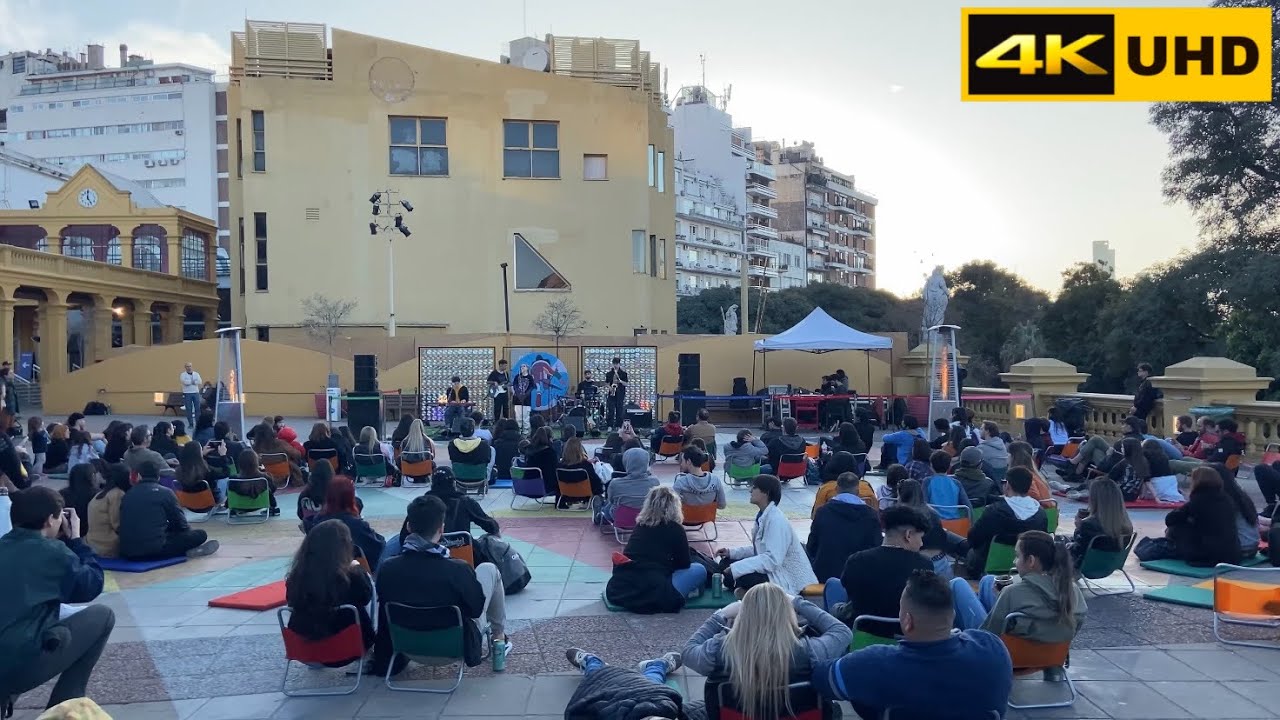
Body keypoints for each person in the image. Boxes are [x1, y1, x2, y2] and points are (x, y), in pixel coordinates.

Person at [811, 570, 1013, 720]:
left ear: (907, 621)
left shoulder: (872, 664)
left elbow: (819, 677)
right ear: (952, 615)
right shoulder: (993, 649)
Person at [0, 486, 115, 711]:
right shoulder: (53, 552)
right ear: (50, 520)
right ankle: (64, 708)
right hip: (15, 666)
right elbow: (91, 585)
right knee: (103, 616)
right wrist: (76, 540)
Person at [372, 495, 510, 676]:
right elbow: (476, 610)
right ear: (441, 529)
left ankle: (498, 638)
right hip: (454, 648)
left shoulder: (387, 568)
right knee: (488, 569)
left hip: (406, 647)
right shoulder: (458, 569)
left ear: (409, 527)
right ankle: (499, 638)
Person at [683, 584, 852, 720]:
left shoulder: (717, 650)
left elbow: (688, 651)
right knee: (834, 708)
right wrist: (798, 602)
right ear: (787, 614)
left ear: (743, 615)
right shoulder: (810, 651)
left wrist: (720, 615)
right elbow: (843, 632)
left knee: (692, 708)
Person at [952, 531, 1087, 649]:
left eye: (1017, 556)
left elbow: (989, 634)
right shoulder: (1073, 591)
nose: (1014, 561)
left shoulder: (1012, 593)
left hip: (1003, 653)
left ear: (1031, 561)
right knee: (988, 580)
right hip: (1051, 654)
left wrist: (1003, 599)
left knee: (957, 584)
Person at [827, 505, 934, 637]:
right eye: (921, 537)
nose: (921, 543)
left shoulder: (857, 560)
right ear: (908, 535)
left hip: (862, 633)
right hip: (905, 634)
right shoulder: (925, 565)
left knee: (833, 586)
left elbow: (849, 589)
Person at [605, 486, 707, 613]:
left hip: (624, 585)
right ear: (675, 507)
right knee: (699, 569)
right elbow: (684, 564)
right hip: (656, 588)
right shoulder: (675, 528)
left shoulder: (641, 526)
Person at [284, 518, 375, 657]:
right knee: (369, 597)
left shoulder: (296, 576)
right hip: (347, 649)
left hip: (303, 649)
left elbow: (291, 601)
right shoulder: (352, 576)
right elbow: (366, 598)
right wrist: (358, 569)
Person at [715, 474, 818, 595]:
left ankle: (750, 592)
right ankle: (746, 590)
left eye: (754, 488)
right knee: (725, 563)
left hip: (784, 577)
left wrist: (736, 568)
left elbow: (772, 560)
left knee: (741, 576)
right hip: (771, 569)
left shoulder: (776, 520)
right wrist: (731, 552)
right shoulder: (764, 516)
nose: (750, 491)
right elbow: (760, 549)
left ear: (766, 493)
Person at [119, 460, 220, 560]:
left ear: (139, 476)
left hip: (128, 551)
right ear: (158, 476)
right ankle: (188, 550)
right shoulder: (165, 493)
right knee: (200, 534)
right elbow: (181, 524)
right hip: (154, 550)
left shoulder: (128, 494)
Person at [966, 466, 1048, 577]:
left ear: (1007, 485)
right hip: (1026, 568)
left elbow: (973, 538)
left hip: (985, 566)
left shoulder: (994, 511)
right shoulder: (1041, 514)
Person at [562, 648, 688, 720]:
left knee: (597, 675)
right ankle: (659, 665)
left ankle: (591, 661)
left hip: (616, 693)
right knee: (652, 682)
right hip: (650, 698)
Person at [807, 471, 883, 583]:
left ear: (837, 489)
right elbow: (877, 547)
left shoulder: (823, 512)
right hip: (860, 576)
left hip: (825, 575)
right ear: (857, 491)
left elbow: (811, 547)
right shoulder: (871, 515)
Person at [1164, 466, 1242, 567]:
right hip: (1233, 554)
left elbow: (1170, 519)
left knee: (1176, 528)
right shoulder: (1227, 499)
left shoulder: (1198, 500)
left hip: (1209, 555)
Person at [303, 476, 384, 570]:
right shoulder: (356, 525)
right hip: (352, 573)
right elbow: (379, 546)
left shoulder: (317, 522)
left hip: (320, 572)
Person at [1068, 477, 1133, 567]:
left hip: (1087, 566)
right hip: (1111, 565)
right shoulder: (1126, 525)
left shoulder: (1088, 525)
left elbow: (1079, 551)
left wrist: (1078, 529)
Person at [85, 465, 131, 558]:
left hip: (92, 542)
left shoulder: (99, 494)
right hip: (108, 545)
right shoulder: (118, 494)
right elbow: (117, 524)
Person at [604, 447, 659, 522]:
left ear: (625, 462)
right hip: (647, 519)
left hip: (622, 519)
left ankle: (599, 516)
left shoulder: (615, 483)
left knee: (608, 505)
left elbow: (611, 500)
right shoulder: (655, 482)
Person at [176, 440, 229, 507]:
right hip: (209, 503)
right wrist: (223, 455)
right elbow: (226, 473)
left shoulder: (179, 471)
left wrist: (203, 455)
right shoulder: (206, 471)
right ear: (199, 453)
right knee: (224, 480)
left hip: (189, 503)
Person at [672, 445, 725, 510]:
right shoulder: (715, 481)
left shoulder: (680, 483)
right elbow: (722, 505)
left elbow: (671, 506)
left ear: (688, 461)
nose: (681, 464)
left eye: (682, 461)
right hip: (708, 516)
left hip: (687, 516)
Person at [922, 450, 971, 519]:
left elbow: (923, 504)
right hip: (955, 523)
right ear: (949, 466)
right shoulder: (956, 483)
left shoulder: (927, 482)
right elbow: (968, 506)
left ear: (931, 465)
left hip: (934, 523)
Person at [518, 426, 559, 497]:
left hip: (526, 487)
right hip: (543, 488)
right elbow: (553, 471)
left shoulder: (528, 452)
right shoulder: (550, 453)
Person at [59, 465, 97, 537]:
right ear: (92, 476)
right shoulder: (98, 495)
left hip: (67, 531)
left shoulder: (62, 494)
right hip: (91, 533)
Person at [604, 357, 629, 431]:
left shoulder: (623, 374)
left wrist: (620, 381)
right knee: (611, 410)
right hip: (612, 393)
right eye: (614, 364)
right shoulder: (609, 374)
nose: (615, 365)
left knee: (619, 410)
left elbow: (626, 384)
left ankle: (618, 425)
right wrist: (610, 388)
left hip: (620, 394)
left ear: (619, 364)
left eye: (617, 364)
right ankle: (610, 425)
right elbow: (606, 383)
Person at [511, 363, 535, 430]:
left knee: (526, 417)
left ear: (527, 368)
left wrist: (525, 395)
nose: (522, 367)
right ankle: (519, 430)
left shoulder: (530, 377)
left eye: (524, 366)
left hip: (526, 400)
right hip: (517, 399)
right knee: (518, 417)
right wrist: (518, 394)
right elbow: (514, 386)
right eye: (521, 366)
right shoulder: (517, 376)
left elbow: (532, 387)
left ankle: (526, 431)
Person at [179, 362, 202, 428]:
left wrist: (192, 382)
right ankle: (191, 424)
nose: (189, 367)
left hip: (196, 392)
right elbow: (185, 382)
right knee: (189, 409)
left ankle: (198, 423)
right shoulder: (182, 375)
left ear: (192, 366)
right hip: (187, 393)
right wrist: (194, 382)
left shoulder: (196, 374)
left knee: (197, 408)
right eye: (187, 366)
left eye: (190, 366)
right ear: (185, 367)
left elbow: (200, 381)